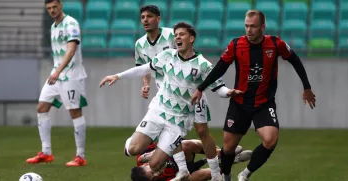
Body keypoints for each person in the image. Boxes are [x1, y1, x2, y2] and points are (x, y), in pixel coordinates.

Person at [100, 22, 242, 181]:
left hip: (178, 121)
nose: (177, 38)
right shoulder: (167, 56)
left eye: (182, 34)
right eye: (175, 35)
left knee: (155, 165)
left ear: (192, 38)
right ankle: (134, 143)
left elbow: (218, 87)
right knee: (134, 149)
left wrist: (228, 92)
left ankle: (203, 169)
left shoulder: (203, 65)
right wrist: (118, 76)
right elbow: (144, 68)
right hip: (158, 110)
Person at [190, 10, 316, 181]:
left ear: (262, 27)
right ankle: (226, 175)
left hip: (264, 103)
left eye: (253, 27)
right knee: (228, 149)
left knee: (270, 140)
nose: (249, 30)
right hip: (240, 103)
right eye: (246, 26)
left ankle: (245, 174)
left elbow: (295, 60)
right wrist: (201, 88)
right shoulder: (236, 45)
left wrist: (306, 87)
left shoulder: (275, 44)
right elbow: (220, 67)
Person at [135, 5, 226, 180]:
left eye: (149, 16)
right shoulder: (140, 44)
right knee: (169, 128)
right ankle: (187, 169)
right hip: (166, 93)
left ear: (158, 18)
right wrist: (146, 84)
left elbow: (186, 55)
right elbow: (144, 67)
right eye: (143, 17)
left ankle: (220, 162)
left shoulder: (172, 35)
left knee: (201, 131)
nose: (145, 20)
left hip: (189, 90)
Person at [26, 0, 88, 167]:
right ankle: (46, 152)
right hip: (57, 75)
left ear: (61, 5)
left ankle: (80, 156)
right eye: (49, 8)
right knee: (41, 107)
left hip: (71, 75)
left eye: (54, 7)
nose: (52, 11)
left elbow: (71, 49)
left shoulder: (71, 23)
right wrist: (57, 72)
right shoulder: (54, 27)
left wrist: (58, 71)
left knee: (75, 112)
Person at [131, 139, 253, 181]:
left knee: (185, 144)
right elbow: (188, 171)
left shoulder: (144, 154)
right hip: (183, 173)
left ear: (146, 163)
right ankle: (227, 162)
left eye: (152, 172)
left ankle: (222, 153)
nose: (157, 175)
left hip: (180, 153)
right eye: (154, 178)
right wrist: (205, 161)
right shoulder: (160, 179)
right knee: (205, 174)